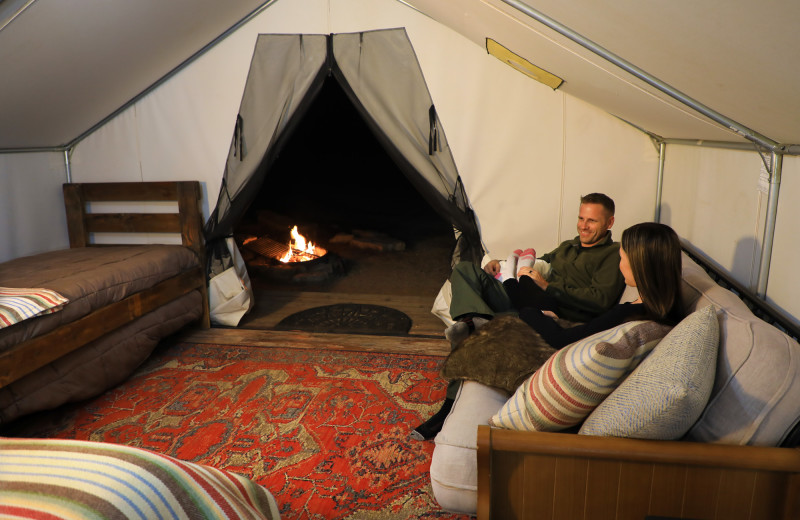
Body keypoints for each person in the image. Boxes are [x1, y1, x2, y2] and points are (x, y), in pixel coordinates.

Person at [411, 221, 684, 441]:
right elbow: (587, 333)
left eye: (624, 258)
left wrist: (534, 315)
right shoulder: (653, 310)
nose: (620, 263)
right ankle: (473, 322)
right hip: (559, 325)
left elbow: (561, 340)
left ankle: (449, 401)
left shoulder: (632, 314)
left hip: (548, 343)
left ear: (641, 263)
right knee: (476, 299)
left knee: (480, 337)